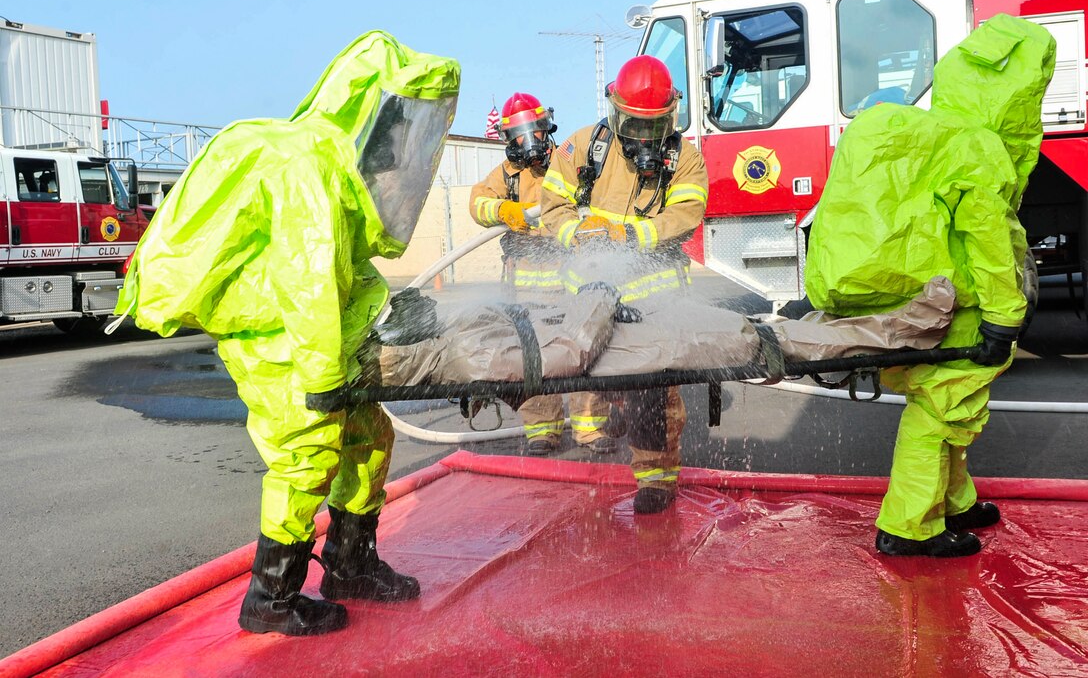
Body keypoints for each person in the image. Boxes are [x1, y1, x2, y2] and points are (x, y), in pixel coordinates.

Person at [115, 31, 460, 633]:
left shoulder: (336, 167)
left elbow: (342, 270)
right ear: (370, 109)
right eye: (402, 121)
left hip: (293, 318)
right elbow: (309, 283)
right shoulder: (311, 167)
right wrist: (326, 378)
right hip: (268, 324)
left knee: (369, 433)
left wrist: (386, 309)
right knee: (307, 450)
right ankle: (271, 599)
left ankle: (351, 564)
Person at [805, 14, 1056, 557]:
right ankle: (909, 526)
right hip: (958, 303)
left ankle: (954, 500)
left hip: (918, 297)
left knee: (951, 406)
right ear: (1019, 99)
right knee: (939, 410)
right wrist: (1004, 317)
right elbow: (988, 241)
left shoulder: (936, 135)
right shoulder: (977, 148)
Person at [540, 55, 709, 513]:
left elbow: (686, 214)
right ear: (615, 112)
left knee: (653, 394)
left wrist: (634, 234)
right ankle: (612, 412)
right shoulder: (582, 148)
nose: (643, 139)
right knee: (592, 375)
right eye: (633, 125)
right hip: (591, 298)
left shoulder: (685, 159)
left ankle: (656, 481)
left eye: (654, 128)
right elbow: (551, 210)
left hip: (657, 302)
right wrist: (580, 234)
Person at [469, 92, 613, 456]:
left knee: (583, 349)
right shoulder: (506, 175)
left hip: (573, 276)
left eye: (533, 131)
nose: (527, 142)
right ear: (507, 139)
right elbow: (477, 204)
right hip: (527, 285)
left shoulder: (566, 160)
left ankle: (590, 429)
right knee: (532, 357)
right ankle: (542, 431)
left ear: (546, 128)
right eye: (517, 135)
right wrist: (503, 208)